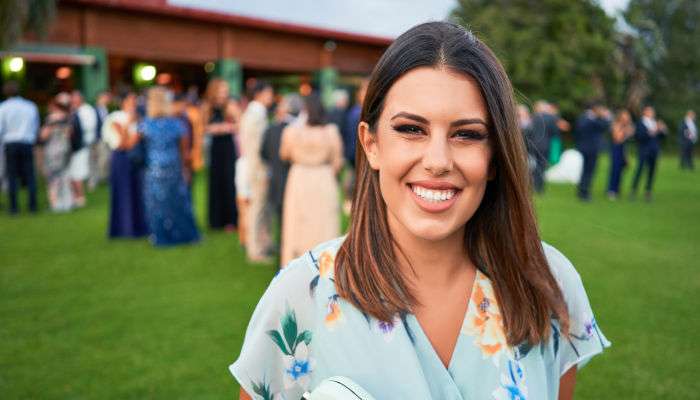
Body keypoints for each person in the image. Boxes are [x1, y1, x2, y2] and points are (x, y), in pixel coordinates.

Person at [231, 22, 609, 400]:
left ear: (495, 155)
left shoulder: (548, 282)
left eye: (467, 134)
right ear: (371, 143)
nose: (438, 161)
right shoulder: (301, 294)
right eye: (411, 129)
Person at [278, 93, 343, 267]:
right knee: (324, 224)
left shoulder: (292, 132)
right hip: (323, 177)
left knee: (297, 224)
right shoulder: (331, 132)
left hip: (300, 177)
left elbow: (284, 154)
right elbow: (337, 161)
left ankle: (296, 266)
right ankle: (325, 267)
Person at [137, 86, 200, 246]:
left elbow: (136, 147)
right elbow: (185, 152)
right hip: (174, 168)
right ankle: (184, 235)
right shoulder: (177, 124)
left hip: (155, 169)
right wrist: (186, 170)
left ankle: (160, 236)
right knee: (178, 202)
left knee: (157, 205)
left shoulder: (145, 125)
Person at [260, 94, 302, 257]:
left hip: (276, 182)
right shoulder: (299, 131)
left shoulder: (271, 129)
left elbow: (263, 153)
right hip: (295, 182)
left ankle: (284, 256)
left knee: (281, 221)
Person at [103, 92, 148, 239]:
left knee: (137, 193)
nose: (134, 104)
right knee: (123, 193)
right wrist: (129, 124)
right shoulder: (115, 118)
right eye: (131, 100)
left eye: (135, 100)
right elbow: (123, 143)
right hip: (121, 160)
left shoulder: (140, 119)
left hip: (136, 160)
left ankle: (139, 226)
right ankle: (124, 228)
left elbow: (136, 140)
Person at [240, 81, 274, 262]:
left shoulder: (256, 113)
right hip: (258, 168)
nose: (271, 96)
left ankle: (264, 242)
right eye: (269, 92)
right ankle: (255, 250)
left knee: (264, 208)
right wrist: (263, 170)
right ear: (259, 94)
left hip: (258, 167)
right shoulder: (255, 115)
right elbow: (257, 148)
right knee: (258, 207)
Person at [202, 79, 238, 232]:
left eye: (226, 90)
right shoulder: (207, 107)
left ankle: (231, 220)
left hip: (228, 147)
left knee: (229, 181)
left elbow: (240, 124)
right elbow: (203, 128)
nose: (225, 93)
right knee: (215, 182)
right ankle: (215, 221)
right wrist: (214, 128)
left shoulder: (231, 106)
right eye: (222, 90)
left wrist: (225, 127)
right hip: (215, 148)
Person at [0, 81, 40, 214]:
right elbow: (35, 125)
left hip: (10, 143)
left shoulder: (3, 107)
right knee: (30, 175)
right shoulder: (30, 106)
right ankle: (32, 206)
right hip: (27, 142)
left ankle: (13, 207)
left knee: (11, 176)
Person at [39, 93, 73, 212]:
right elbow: (70, 135)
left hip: (53, 151)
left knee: (53, 178)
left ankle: (55, 204)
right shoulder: (68, 118)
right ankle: (67, 203)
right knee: (65, 176)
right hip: (65, 150)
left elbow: (43, 136)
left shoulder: (51, 119)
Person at [67, 90, 99, 207]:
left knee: (83, 168)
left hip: (85, 143)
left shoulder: (87, 110)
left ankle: (87, 188)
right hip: (74, 145)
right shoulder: (72, 110)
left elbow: (90, 126)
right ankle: (74, 196)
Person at [574, 102, 611, 201]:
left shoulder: (594, 119)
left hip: (592, 148)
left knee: (588, 171)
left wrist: (605, 117)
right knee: (588, 171)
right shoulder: (587, 118)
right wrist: (604, 117)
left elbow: (605, 127)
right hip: (588, 148)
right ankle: (584, 192)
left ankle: (583, 190)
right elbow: (581, 129)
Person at [630, 105, 667, 201]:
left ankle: (648, 191)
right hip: (644, 150)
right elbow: (639, 137)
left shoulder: (655, 123)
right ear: (645, 112)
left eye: (652, 111)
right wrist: (653, 131)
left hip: (654, 150)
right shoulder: (640, 123)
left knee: (652, 172)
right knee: (640, 170)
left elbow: (661, 137)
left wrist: (662, 130)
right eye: (650, 111)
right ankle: (633, 190)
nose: (652, 113)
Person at [529, 101, 560, 193]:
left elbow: (530, 132)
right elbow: (554, 132)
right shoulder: (551, 118)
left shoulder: (533, 117)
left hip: (533, 144)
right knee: (542, 165)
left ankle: (534, 185)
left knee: (535, 165)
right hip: (545, 144)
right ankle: (539, 187)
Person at [606, 109, 635, 200]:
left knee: (621, 170)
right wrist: (627, 133)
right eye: (625, 116)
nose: (626, 118)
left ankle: (617, 189)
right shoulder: (616, 125)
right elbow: (617, 139)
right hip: (616, 149)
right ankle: (611, 190)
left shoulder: (626, 126)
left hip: (623, 149)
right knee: (615, 169)